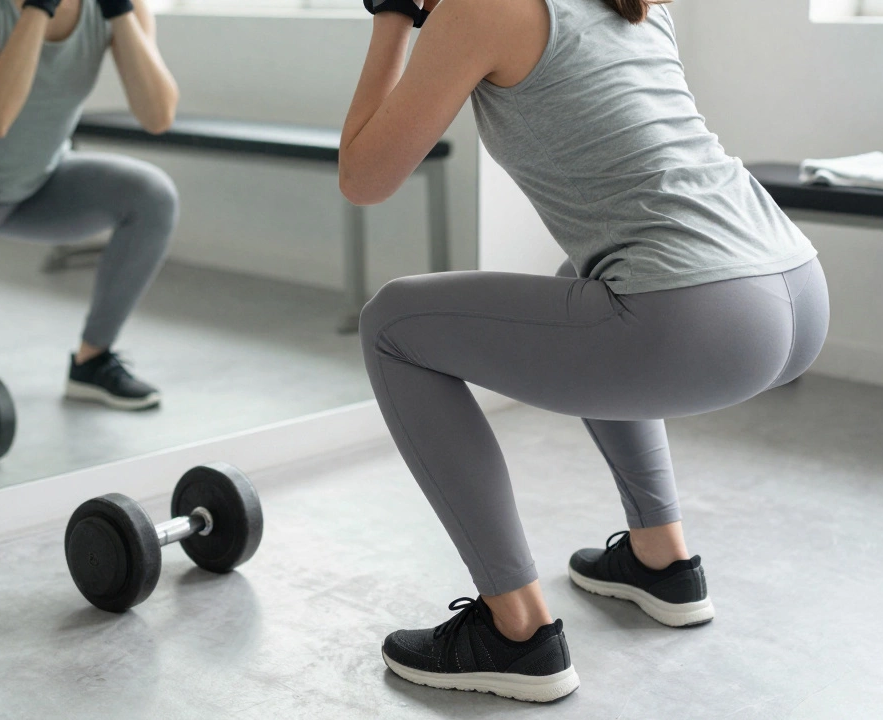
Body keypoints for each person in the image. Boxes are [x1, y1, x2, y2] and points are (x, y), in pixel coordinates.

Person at [344, 0, 830, 702]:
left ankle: (515, 634)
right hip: (794, 286)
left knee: (392, 323)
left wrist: (390, 13)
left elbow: (365, 177)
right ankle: (661, 558)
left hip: (698, 320)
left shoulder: (481, 8)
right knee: (583, 282)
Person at [0, 0, 180, 420]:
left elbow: (158, 115)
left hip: (35, 186)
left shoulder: (115, 9)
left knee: (153, 195)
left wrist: (119, 11)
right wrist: (38, 8)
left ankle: (92, 361)